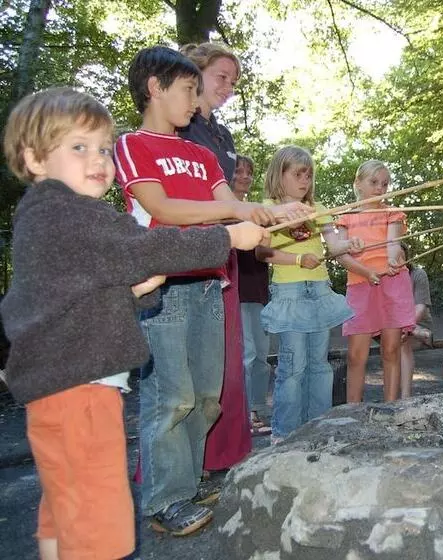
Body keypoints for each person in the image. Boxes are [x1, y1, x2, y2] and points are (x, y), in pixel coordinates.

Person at [1, 87, 269, 557]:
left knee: (65, 506)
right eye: (79, 147)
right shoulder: (69, 212)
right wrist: (227, 237)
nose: (99, 159)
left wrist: (130, 290)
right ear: (34, 158)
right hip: (80, 392)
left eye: (104, 148)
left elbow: (70, 295)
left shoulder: (50, 218)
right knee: (100, 517)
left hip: (60, 389)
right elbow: (145, 247)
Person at [114, 46, 311, 536]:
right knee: (170, 397)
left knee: (205, 397)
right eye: (188, 88)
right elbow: (166, 208)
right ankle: (164, 501)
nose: (196, 97)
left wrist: (270, 212)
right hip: (163, 286)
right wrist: (232, 221)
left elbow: (229, 202)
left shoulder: (201, 154)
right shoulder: (131, 144)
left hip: (208, 282)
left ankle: (189, 481)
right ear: (155, 88)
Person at [178, 41, 252, 473]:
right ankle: (182, 465)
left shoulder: (221, 134)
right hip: (191, 251)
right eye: (221, 76)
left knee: (225, 358)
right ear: (195, 71)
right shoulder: (180, 128)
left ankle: (221, 455)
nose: (228, 87)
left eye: (233, 81)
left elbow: (228, 198)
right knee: (190, 361)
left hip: (225, 249)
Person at [256, 145, 362, 441]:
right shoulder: (268, 209)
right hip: (290, 293)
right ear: (280, 175)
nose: (305, 181)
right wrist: (298, 260)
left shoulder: (317, 210)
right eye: (298, 174)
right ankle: (285, 434)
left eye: (308, 175)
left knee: (319, 365)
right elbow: (261, 252)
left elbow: (334, 245)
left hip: (319, 290)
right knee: (293, 366)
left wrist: (349, 245)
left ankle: (318, 428)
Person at [336, 160, 416, 402]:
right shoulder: (345, 218)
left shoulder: (392, 213)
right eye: (373, 182)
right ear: (358, 184)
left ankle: (391, 406)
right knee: (355, 355)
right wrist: (365, 271)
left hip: (391, 283)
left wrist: (394, 259)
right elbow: (340, 254)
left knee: (391, 350)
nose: (380, 188)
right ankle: (352, 410)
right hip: (361, 285)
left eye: (385, 183)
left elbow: (394, 243)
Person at [232, 155, 272, 433]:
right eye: (239, 171)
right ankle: (244, 414)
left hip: (257, 292)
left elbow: (266, 253)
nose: (245, 176)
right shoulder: (217, 211)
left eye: (250, 172)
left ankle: (256, 408)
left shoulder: (256, 213)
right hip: (233, 292)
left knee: (260, 355)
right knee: (246, 355)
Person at [398, 242, 434, 399]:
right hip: (394, 325)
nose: (397, 259)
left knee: (401, 343)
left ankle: (405, 397)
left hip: (416, 321)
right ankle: (416, 332)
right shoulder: (381, 275)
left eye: (401, 256)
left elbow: (421, 308)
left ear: (407, 257)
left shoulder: (418, 274)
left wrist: (408, 328)